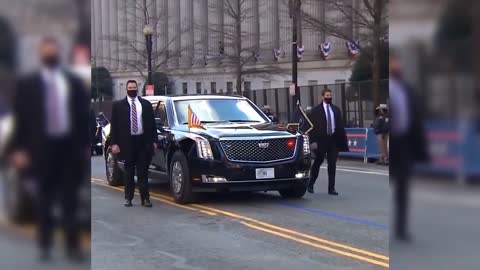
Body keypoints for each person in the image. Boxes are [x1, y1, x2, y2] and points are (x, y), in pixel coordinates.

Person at [9, 37, 89, 261]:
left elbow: (83, 116)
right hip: (40, 151)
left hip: (69, 150)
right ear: (41, 55)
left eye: (53, 51)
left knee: (69, 200)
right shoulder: (28, 85)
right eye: (46, 51)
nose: (50, 55)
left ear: (59, 54)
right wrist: (19, 150)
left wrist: (85, 145)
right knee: (44, 200)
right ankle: (44, 245)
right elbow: (21, 120)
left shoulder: (72, 82)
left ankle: (73, 247)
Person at [389, 51, 428, 241]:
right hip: (392, 141)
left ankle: (401, 228)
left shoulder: (407, 89)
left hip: (404, 142)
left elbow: (416, 117)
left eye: (397, 62)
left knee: (403, 186)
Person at [109, 80, 158, 207]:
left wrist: (154, 141)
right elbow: (114, 126)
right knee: (129, 172)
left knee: (143, 172)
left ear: (137, 88)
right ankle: (128, 198)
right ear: (126, 89)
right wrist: (114, 143)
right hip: (127, 142)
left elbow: (152, 124)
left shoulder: (145, 104)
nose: (132, 89)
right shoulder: (118, 106)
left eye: (134, 87)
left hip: (142, 141)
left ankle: (145, 198)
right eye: (130, 88)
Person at [308, 89, 349, 195]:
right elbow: (312, 128)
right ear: (322, 97)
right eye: (327, 95)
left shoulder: (335, 109)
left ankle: (331, 188)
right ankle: (311, 184)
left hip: (333, 139)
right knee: (318, 161)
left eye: (330, 95)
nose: (329, 97)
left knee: (332, 164)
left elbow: (340, 125)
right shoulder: (316, 110)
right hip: (321, 140)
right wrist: (313, 141)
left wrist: (342, 140)